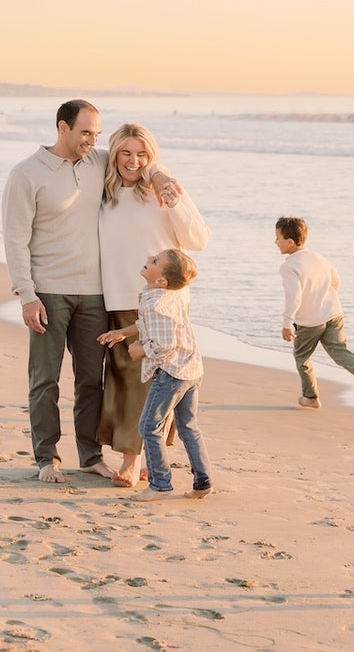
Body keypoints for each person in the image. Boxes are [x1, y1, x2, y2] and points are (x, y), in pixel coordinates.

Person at [1, 100, 177, 484]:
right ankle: (46, 458)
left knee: (90, 380)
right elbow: (15, 239)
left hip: (95, 294)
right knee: (45, 379)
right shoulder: (26, 174)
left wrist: (161, 176)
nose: (92, 140)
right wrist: (26, 294)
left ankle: (89, 455)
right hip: (47, 292)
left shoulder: (99, 162)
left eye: (97, 134)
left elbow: (138, 159)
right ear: (62, 127)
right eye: (85, 132)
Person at [98, 123, 210, 487]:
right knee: (128, 381)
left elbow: (198, 239)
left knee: (159, 381)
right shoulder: (104, 191)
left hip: (164, 303)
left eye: (142, 154)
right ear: (114, 152)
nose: (133, 161)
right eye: (126, 153)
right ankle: (145, 453)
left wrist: (169, 193)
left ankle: (134, 460)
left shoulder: (165, 190)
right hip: (119, 296)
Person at [98, 249, 212, 502]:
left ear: (161, 280)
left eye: (154, 262)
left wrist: (141, 349)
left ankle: (160, 484)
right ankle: (203, 481)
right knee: (188, 427)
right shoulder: (168, 296)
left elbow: (164, 344)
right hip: (191, 369)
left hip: (172, 373)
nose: (147, 259)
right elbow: (146, 325)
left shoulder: (155, 303)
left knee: (149, 427)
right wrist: (122, 333)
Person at [274, 216, 354, 410]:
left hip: (309, 321)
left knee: (302, 357)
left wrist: (287, 323)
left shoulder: (289, 266)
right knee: (340, 352)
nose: (275, 242)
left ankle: (311, 397)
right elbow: (336, 282)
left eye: (278, 238)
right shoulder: (319, 258)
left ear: (289, 242)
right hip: (334, 313)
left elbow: (294, 297)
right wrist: (323, 299)